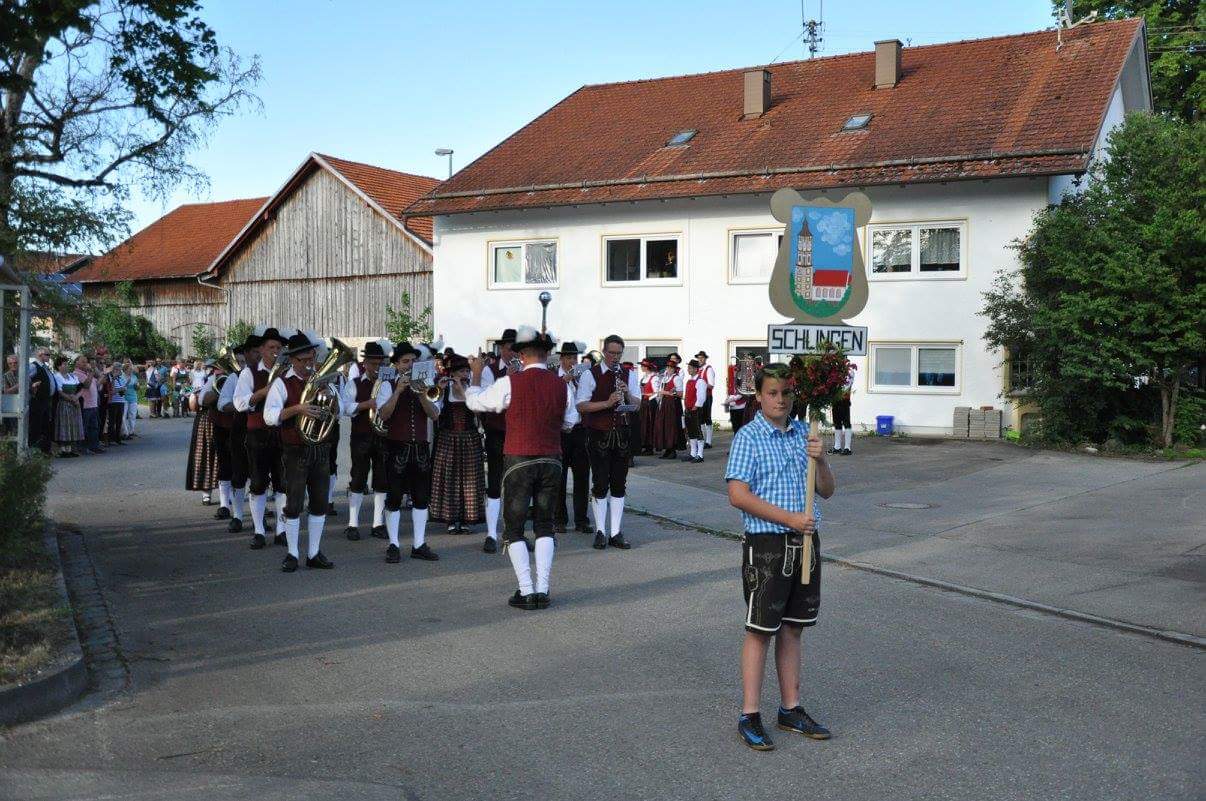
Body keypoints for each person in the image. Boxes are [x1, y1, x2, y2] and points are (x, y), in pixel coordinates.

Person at [725, 363, 835, 751]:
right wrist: (788, 518)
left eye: (786, 393)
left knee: (793, 628)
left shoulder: (805, 433)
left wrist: (822, 459)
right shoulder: (749, 437)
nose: (780, 400)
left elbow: (827, 490)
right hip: (767, 546)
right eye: (772, 393)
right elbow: (738, 495)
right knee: (761, 630)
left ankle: (790, 708)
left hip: (805, 543)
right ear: (758, 396)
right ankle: (749, 714)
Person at [466, 325, 579, 610]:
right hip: (551, 459)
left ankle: (526, 590)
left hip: (519, 459)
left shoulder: (509, 382)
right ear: (546, 354)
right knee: (544, 524)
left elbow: (475, 402)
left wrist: (476, 375)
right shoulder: (561, 385)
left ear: (522, 355)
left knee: (514, 527)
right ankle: (543, 589)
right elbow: (571, 421)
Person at [264, 332, 336, 572]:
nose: (308, 364)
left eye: (310, 359)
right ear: (292, 360)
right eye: (303, 360)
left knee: (319, 503)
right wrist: (298, 409)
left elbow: (341, 410)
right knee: (293, 504)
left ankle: (314, 552)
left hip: (320, 448)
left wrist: (330, 398)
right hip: (294, 449)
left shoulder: (322, 380)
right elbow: (269, 416)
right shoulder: (281, 383)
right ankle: (292, 553)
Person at [376, 342, 442, 563]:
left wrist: (422, 395)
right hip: (397, 447)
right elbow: (384, 415)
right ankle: (393, 544)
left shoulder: (427, 383)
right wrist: (398, 391)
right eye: (405, 361)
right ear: (396, 364)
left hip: (420, 447)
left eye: (413, 361)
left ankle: (419, 544)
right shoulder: (387, 384)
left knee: (421, 497)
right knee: (394, 496)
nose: (410, 365)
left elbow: (434, 415)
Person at [575, 334, 639, 550]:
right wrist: (607, 402)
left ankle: (615, 532)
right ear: (604, 352)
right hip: (598, 435)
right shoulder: (590, 374)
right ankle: (601, 531)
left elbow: (638, 404)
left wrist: (627, 394)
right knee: (600, 483)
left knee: (619, 484)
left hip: (622, 435)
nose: (615, 357)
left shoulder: (629, 374)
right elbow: (581, 405)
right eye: (611, 353)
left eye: (619, 353)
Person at [234, 327, 289, 549]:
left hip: (282, 432)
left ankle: (282, 530)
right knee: (257, 483)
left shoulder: (287, 372)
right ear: (262, 350)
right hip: (257, 433)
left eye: (279, 347)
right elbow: (240, 403)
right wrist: (266, 391)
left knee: (283, 483)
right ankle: (258, 530)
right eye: (271, 347)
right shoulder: (249, 373)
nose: (276, 351)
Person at [429, 352, 486, 536]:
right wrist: (439, 389)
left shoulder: (471, 389)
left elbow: (478, 412)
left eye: (467, 371)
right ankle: (451, 519)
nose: (465, 374)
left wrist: (462, 391)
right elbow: (434, 413)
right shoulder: (444, 389)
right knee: (449, 479)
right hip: (448, 438)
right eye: (461, 371)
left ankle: (467, 518)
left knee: (469, 481)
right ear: (452, 373)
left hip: (469, 438)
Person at [340, 340, 389, 541]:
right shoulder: (354, 383)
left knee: (382, 479)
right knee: (358, 478)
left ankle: (378, 523)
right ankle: (353, 524)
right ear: (365, 363)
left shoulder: (387, 383)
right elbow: (345, 408)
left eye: (380, 364)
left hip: (383, 435)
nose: (377, 368)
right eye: (373, 364)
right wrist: (365, 404)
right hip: (361, 436)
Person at [477, 328, 516, 552]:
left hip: (518, 432)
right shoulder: (489, 371)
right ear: (501, 349)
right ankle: (491, 534)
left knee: (517, 483)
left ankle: (513, 533)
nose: (514, 353)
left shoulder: (524, 370)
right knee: (494, 482)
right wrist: (507, 378)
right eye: (510, 349)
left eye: (517, 349)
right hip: (496, 431)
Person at [221, 333, 260, 533]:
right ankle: (237, 516)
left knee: (259, 476)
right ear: (246, 353)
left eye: (260, 351)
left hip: (261, 430)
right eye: (254, 352)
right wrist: (240, 406)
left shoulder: (268, 375)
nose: (258, 355)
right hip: (240, 429)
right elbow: (222, 403)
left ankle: (257, 518)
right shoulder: (234, 377)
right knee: (239, 474)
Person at [554, 341, 591, 535]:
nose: (572, 361)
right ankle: (559, 519)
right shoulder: (554, 377)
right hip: (560, 432)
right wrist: (564, 380)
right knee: (558, 479)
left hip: (579, 430)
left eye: (574, 358)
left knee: (582, 478)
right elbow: (549, 397)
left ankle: (581, 520)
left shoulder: (582, 377)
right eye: (568, 358)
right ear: (561, 359)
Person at [185, 359, 220, 504]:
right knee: (206, 453)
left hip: (226, 418)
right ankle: (206, 492)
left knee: (225, 456)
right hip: (207, 418)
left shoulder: (233, 377)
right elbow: (198, 403)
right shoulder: (210, 380)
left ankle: (228, 493)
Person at [652, 353, 685, 459]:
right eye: (668, 367)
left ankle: (672, 450)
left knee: (671, 427)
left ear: (674, 369)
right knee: (664, 426)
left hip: (673, 405)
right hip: (664, 404)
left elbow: (680, 394)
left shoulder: (676, 378)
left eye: (671, 367)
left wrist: (666, 392)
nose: (669, 369)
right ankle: (667, 449)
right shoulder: (664, 378)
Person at [52, 356, 82, 457]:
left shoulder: (72, 376)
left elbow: (80, 389)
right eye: (64, 364)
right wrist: (71, 399)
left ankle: (70, 449)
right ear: (58, 366)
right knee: (65, 426)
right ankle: (63, 450)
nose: (66, 366)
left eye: (67, 364)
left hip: (74, 403)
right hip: (64, 404)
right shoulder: (57, 376)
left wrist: (76, 398)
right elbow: (60, 392)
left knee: (73, 426)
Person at [28, 348, 54, 453]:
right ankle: (34, 450)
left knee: (46, 425)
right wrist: (32, 386)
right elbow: (25, 379)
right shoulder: (34, 366)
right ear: (40, 355)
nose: (49, 357)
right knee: (36, 425)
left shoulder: (45, 367)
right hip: (38, 400)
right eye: (47, 354)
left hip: (46, 400)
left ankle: (45, 451)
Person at [75, 355, 102, 454]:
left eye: (86, 362)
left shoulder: (87, 373)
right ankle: (83, 447)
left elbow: (98, 382)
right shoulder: (77, 374)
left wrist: (96, 371)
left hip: (93, 404)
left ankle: (94, 446)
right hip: (85, 405)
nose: (86, 364)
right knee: (84, 427)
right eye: (83, 362)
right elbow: (86, 385)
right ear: (77, 363)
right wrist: (91, 373)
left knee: (94, 427)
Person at [683, 359, 709, 463]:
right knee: (691, 432)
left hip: (695, 409)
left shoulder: (700, 381)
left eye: (690, 368)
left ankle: (700, 455)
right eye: (688, 368)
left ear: (695, 369)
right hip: (688, 409)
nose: (688, 369)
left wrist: (696, 406)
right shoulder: (689, 381)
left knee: (697, 431)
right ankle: (693, 453)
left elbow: (701, 396)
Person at [695, 350, 717, 449]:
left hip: (707, 396)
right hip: (699, 396)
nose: (700, 360)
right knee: (700, 419)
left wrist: (701, 385)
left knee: (707, 418)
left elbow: (711, 385)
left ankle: (708, 441)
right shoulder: (697, 370)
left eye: (702, 358)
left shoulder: (709, 369)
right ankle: (702, 440)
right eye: (699, 358)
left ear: (705, 359)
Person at [638, 359, 659, 456]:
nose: (641, 367)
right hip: (643, 403)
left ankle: (650, 447)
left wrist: (646, 395)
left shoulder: (654, 378)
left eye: (643, 366)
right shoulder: (644, 378)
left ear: (647, 367)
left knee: (649, 424)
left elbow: (656, 392)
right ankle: (644, 445)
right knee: (643, 424)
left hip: (650, 403)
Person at [829, 380, 854, 456]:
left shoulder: (849, 373)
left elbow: (848, 383)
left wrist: (839, 392)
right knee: (837, 422)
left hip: (844, 398)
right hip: (835, 399)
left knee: (846, 422)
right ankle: (837, 447)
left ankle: (847, 448)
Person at [105, 362, 127, 446]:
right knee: (112, 421)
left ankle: (118, 439)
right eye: (118, 370)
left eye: (120, 370)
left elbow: (124, 387)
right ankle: (110, 439)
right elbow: (112, 392)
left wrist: (123, 389)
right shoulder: (110, 378)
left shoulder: (121, 378)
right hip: (113, 402)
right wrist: (120, 389)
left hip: (121, 401)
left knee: (119, 421)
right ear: (114, 369)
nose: (119, 371)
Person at [121, 361, 139, 438]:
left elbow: (137, 387)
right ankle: (125, 432)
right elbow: (121, 387)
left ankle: (132, 431)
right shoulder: (121, 376)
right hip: (124, 398)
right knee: (123, 415)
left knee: (132, 415)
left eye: (131, 369)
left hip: (133, 397)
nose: (131, 370)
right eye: (129, 369)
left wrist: (137, 386)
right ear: (125, 370)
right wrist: (127, 383)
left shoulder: (134, 377)